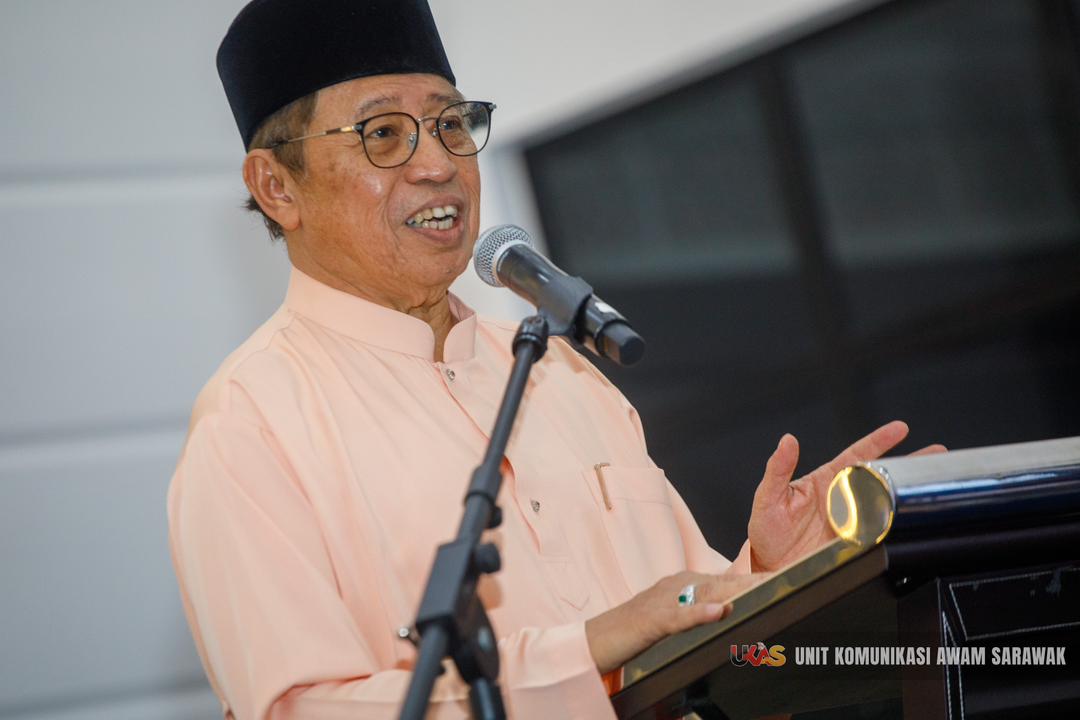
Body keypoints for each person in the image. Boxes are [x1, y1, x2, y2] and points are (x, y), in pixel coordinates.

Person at [169, 1, 943, 718]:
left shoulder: (556, 370)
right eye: (383, 134)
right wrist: (584, 653)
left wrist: (771, 579)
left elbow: (682, 627)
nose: (438, 164)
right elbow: (303, 709)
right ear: (277, 186)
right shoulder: (253, 424)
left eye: (450, 123)